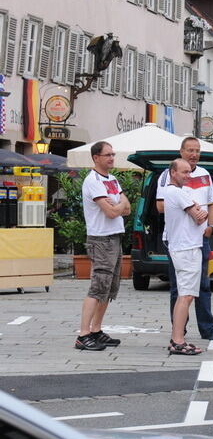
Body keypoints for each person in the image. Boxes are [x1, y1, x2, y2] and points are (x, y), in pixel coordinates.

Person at [155, 137, 213, 342]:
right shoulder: (168, 176)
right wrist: (188, 206)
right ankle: (179, 332)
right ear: (181, 151)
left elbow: (212, 204)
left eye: (197, 150)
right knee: (179, 288)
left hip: (200, 238)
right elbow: (161, 206)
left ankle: (208, 329)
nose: (194, 154)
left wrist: (210, 227)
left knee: (203, 285)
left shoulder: (205, 174)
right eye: (189, 150)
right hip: (179, 239)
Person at [77, 141, 130, 351]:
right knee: (98, 286)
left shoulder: (113, 180)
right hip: (100, 238)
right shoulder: (93, 181)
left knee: (109, 287)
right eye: (107, 155)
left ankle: (96, 329)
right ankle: (83, 333)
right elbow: (111, 212)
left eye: (113, 154)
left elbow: (126, 209)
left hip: (114, 236)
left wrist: (116, 205)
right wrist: (118, 206)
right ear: (96, 157)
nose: (111, 158)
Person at [162, 159, 208, 356]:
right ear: (173, 172)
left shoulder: (175, 193)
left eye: (190, 172)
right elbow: (198, 218)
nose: (188, 176)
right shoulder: (177, 192)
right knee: (186, 295)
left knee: (185, 294)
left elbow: (194, 213)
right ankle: (178, 340)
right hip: (186, 249)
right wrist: (202, 212)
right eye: (184, 172)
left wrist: (197, 209)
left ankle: (177, 338)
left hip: (184, 247)